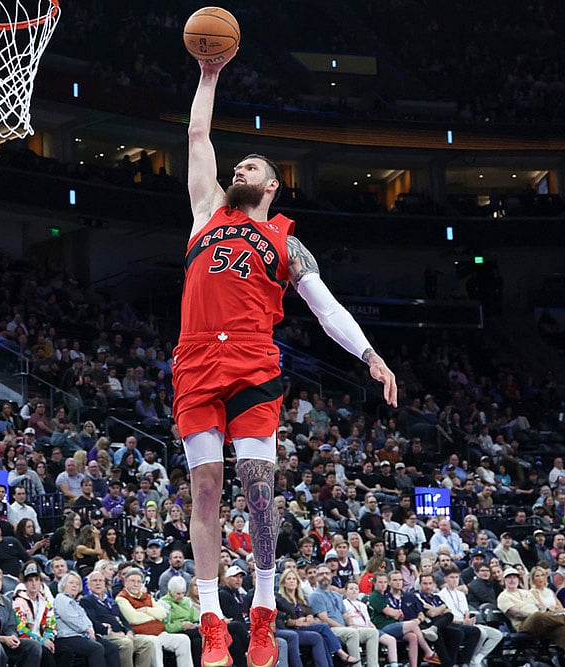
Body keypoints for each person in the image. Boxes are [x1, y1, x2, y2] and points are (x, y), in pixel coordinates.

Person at [180, 52, 397, 667]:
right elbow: (198, 135)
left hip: (253, 362)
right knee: (205, 486)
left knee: (257, 487)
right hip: (195, 360)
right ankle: (212, 621)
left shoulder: (286, 240)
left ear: (272, 185)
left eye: (252, 165)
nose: (240, 167)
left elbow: (327, 308)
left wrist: (370, 355)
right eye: (238, 163)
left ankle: (265, 611)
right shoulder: (205, 214)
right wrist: (210, 75)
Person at [496, 568, 565, 667]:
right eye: (509, 578)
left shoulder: (526, 593)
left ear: (518, 579)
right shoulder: (503, 596)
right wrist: (536, 615)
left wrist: (547, 612)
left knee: (562, 627)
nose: (512, 580)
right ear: (504, 580)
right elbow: (515, 613)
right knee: (538, 616)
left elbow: (539, 606)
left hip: (541, 621)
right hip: (524, 624)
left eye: (514, 577)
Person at [79, 570, 157, 667]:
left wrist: (129, 631)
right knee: (127, 644)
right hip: (106, 635)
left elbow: (123, 619)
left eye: (101, 580)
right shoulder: (86, 601)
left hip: (122, 634)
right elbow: (92, 621)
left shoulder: (111, 601)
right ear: (88, 585)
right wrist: (112, 633)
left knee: (147, 643)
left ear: (104, 584)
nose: (98, 583)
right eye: (94, 581)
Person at [52, 571, 120, 667]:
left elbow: (86, 619)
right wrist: (87, 629)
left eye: (77, 584)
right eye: (71, 583)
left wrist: (90, 629)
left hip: (82, 635)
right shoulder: (61, 599)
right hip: (68, 637)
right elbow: (70, 618)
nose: (75, 586)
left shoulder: (75, 602)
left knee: (111, 648)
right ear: (63, 585)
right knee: (96, 648)